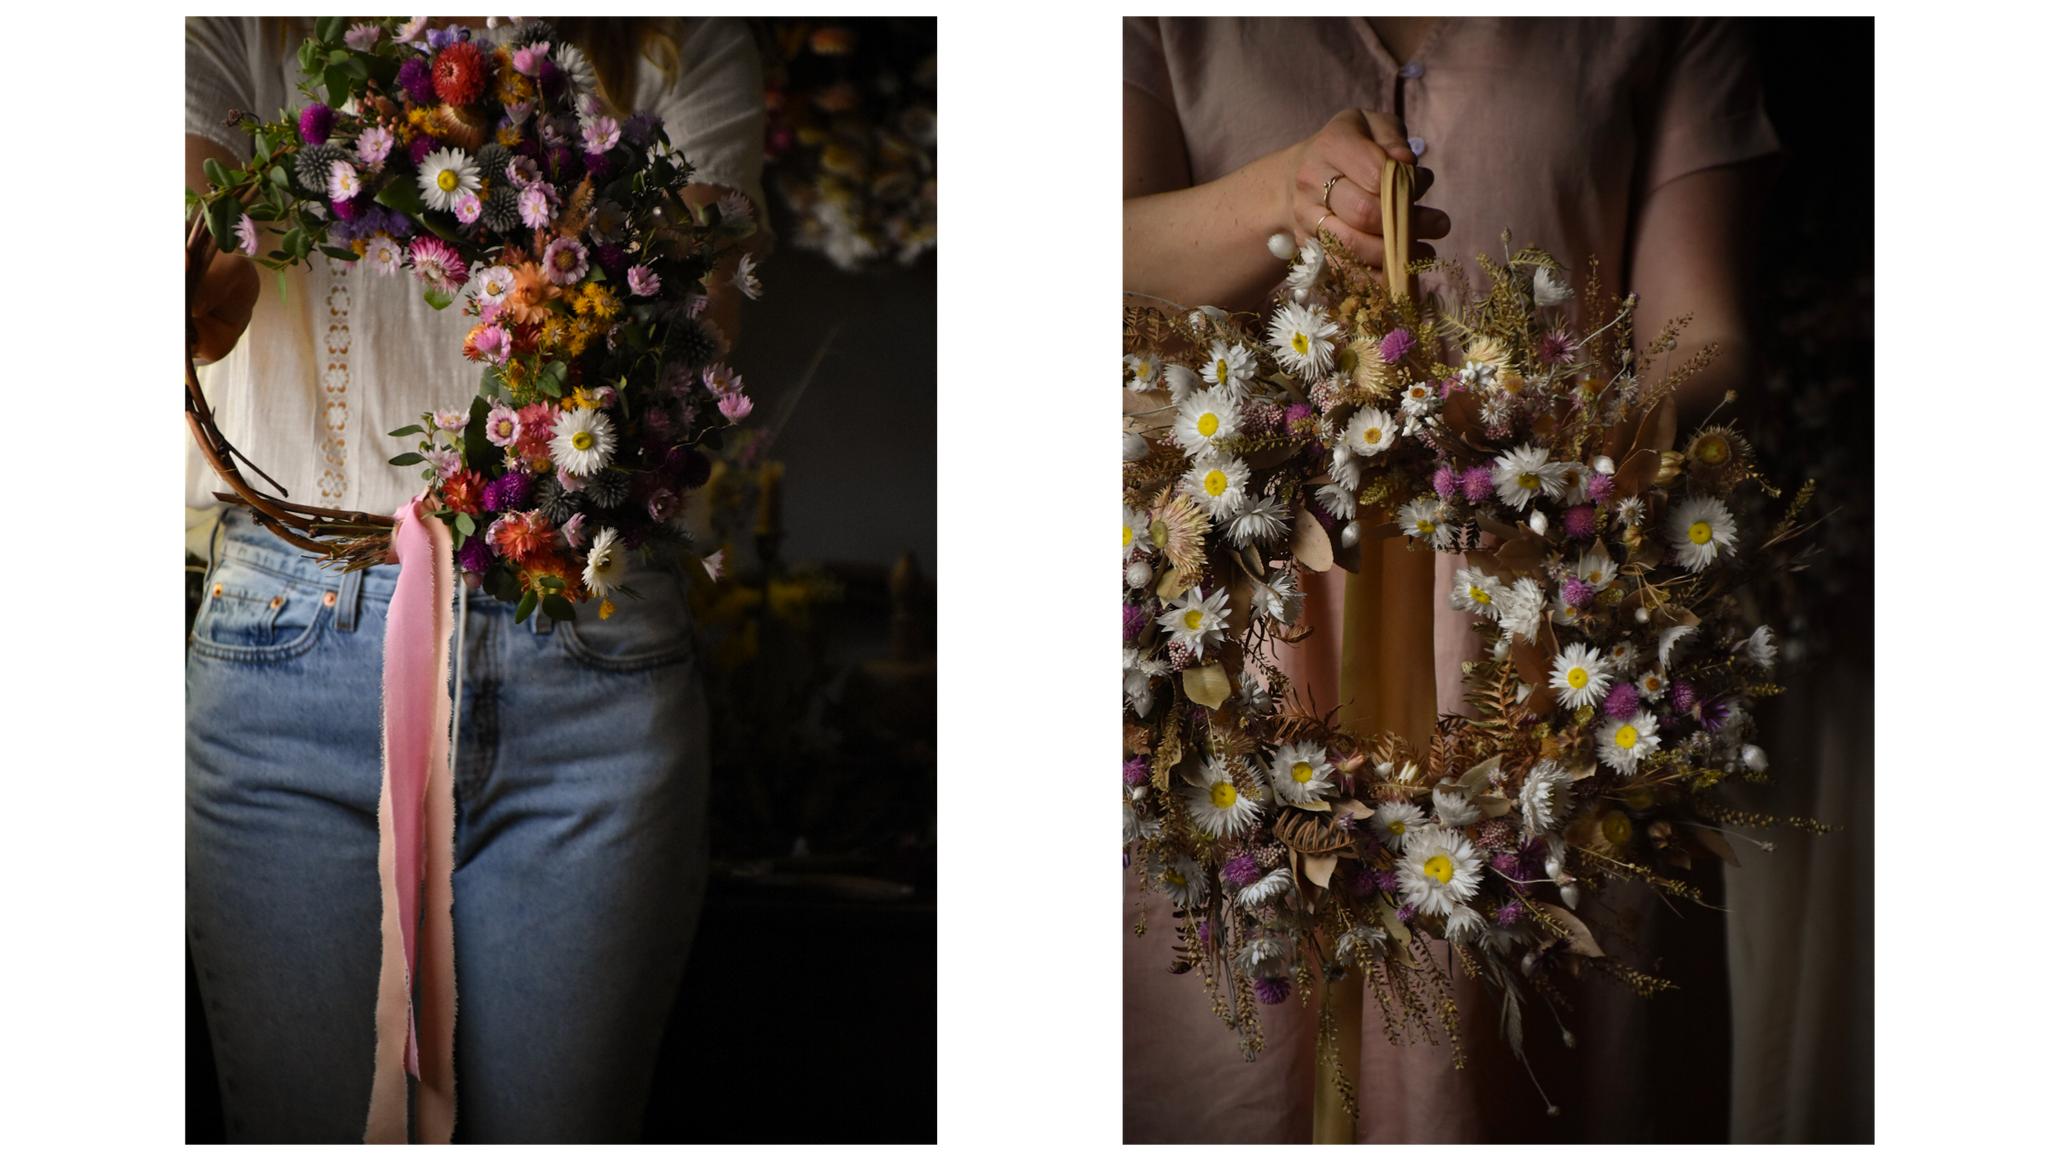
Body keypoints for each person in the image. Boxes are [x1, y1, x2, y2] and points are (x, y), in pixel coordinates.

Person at [1119, 15, 1780, 1145]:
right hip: (1236, 634)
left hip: (1548, 627)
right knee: (1233, 1055)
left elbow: (1703, 336)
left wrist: (1540, 459)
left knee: (1528, 1056)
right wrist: (1284, 195)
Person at [181, 14, 770, 1145]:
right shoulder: (238, 26)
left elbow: (693, 320)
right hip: (291, 647)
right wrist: (208, 276)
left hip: (585, 648)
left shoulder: (673, 38)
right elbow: (211, 242)